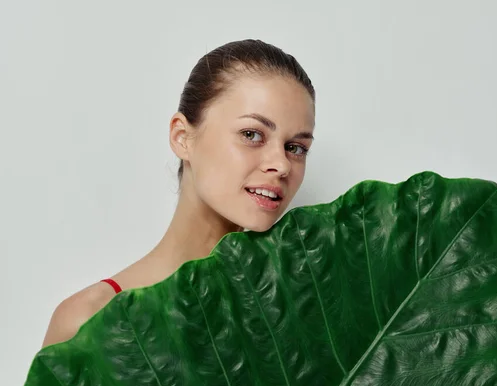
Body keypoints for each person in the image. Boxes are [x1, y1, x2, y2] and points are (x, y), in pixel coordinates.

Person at [42, 39, 316, 348]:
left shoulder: (303, 313)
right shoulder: (90, 321)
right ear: (182, 137)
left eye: (296, 148)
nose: (281, 165)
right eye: (251, 134)